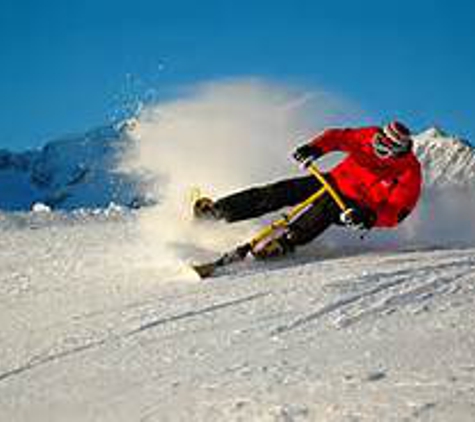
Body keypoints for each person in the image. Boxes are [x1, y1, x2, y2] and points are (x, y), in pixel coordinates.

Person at [193, 121, 423, 258]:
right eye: (378, 142)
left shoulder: (409, 172)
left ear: (400, 149)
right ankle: (221, 211)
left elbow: (397, 211)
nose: (379, 148)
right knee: (283, 191)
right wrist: (314, 148)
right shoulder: (368, 135)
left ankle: (285, 242)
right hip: (333, 180)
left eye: (386, 147)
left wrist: (370, 217)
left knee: (327, 208)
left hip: (355, 208)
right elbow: (338, 138)